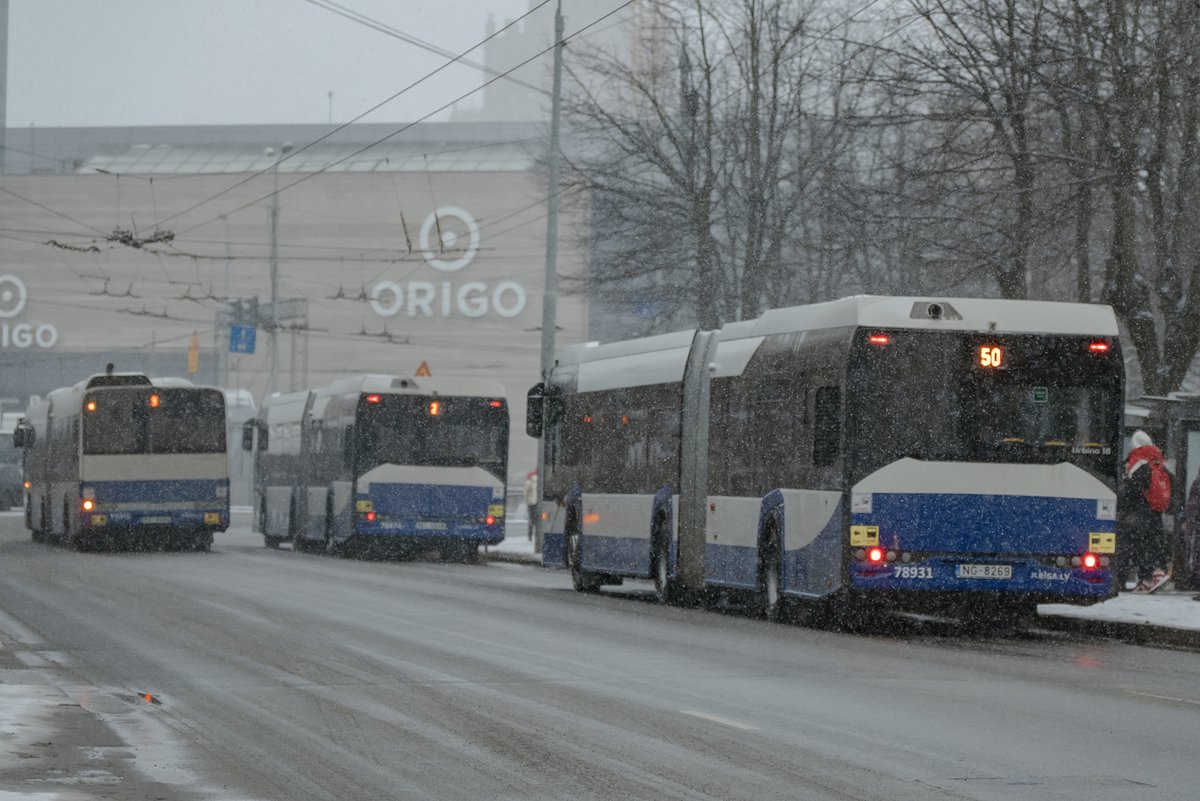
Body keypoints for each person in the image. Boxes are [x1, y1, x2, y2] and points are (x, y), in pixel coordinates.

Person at [1118, 430, 1171, 591]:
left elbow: (1131, 491)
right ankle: (1155, 573)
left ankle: (1144, 578)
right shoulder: (1157, 461)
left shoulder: (1137, 462)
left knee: (1132, 545)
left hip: (1138, 513)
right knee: (1151, 544)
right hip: (1154, 512)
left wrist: (1123, 507)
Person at [523, 470, 538, 541]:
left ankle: (530, 536)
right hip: (538, 503)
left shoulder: (529, 482)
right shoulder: (540, 480)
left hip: (531, 503)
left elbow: (525, 492)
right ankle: (538, 535)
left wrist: (526, 500)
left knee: (531, 520)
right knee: (538, 520)